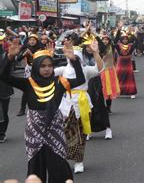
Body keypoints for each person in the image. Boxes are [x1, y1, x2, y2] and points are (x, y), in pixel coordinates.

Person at [1, 39, 85, 183]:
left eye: (50, 66)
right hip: (34, 130)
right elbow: (3, 76)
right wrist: (9, 58)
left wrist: (74, 60)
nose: (47, 69)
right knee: (35, 167)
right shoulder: (28, 83)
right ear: (36, 67)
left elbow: (80, 79)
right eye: (43, 66)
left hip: (55, 128)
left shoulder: (60, 82)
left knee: (59, 165)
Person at [56, 38, 104, 174]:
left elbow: (100, 69)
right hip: (65, 107)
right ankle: (62, 159)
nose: (73, 58)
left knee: (80, 135)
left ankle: (79, 161)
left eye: (76, 56)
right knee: (63, 134)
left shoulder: (86, 70)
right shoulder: (62, 70)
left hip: (82, 105)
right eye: (71, 56)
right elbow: (42, 73)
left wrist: (95, 53)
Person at [114, 22, 138, 98]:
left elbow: (136, 41)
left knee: (129, 78)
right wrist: (119, 30)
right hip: (120, 63)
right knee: (119, 78)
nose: (124, 40)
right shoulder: (118, 46)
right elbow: (115, 41)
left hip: (128, 64)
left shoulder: (131, 46)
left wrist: (132, 32)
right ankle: (118, 92)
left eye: (126, 39)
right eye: (123, 39)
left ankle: (132, 92)